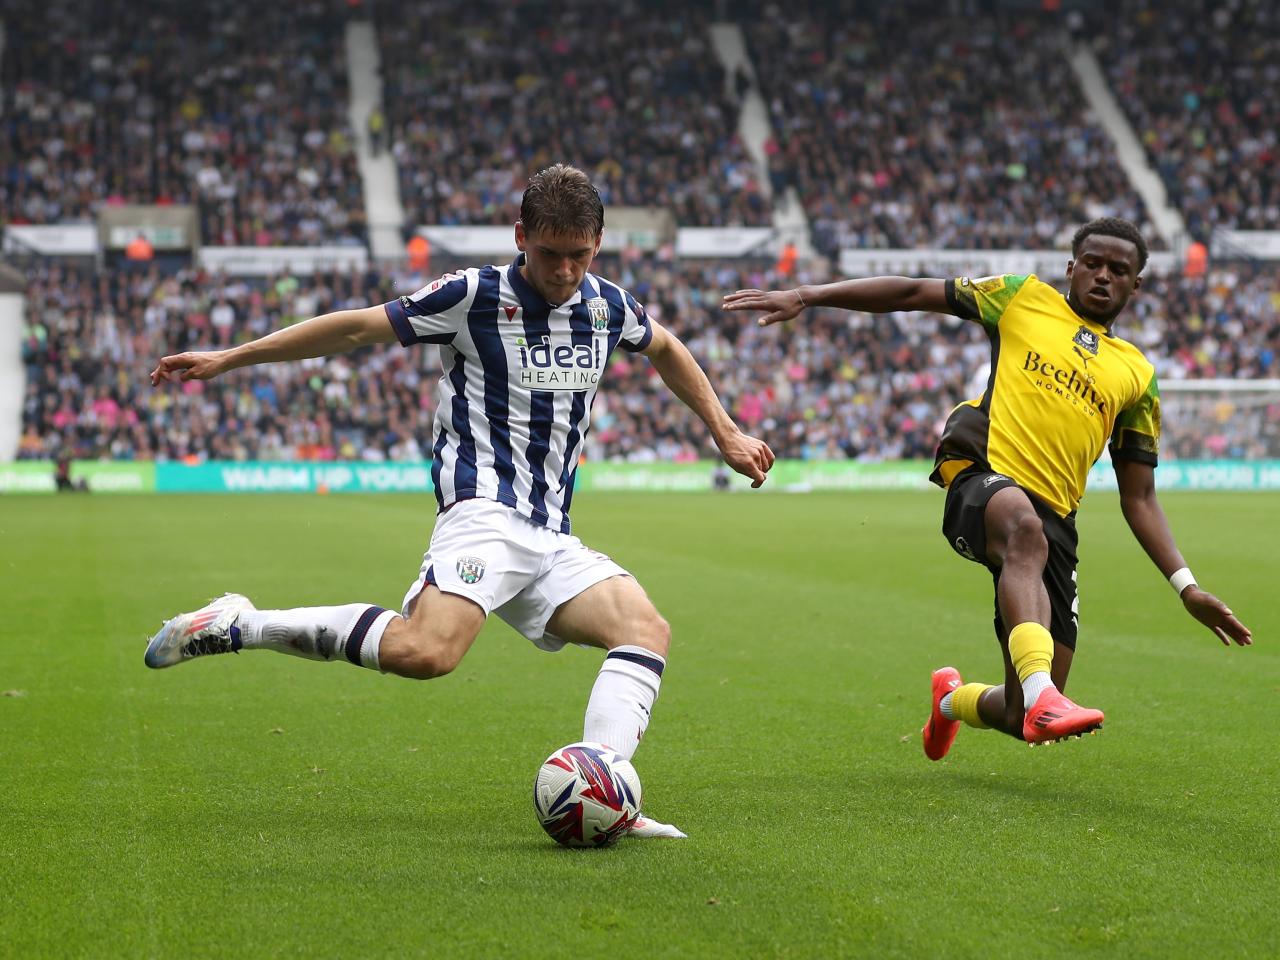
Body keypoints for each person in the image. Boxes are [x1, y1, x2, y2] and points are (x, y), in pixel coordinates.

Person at [147, 164, 775, 837]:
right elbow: (356, 329)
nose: (565, 271)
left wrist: (726, 430)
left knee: (645, 630)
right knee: (427, 653)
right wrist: (228, 358)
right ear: (520, 238)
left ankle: (605, 787)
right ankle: (240, 623)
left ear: (598, 245)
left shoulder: (606, 305)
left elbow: (667, 347)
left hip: (551, 533)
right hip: (483, 514)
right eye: (550, 254)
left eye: (580, 255)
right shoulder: (473, 295)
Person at [724, 217, 1252, 756]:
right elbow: (912, 292)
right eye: (1091, 263)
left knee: (1021, 715)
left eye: (1118, 270)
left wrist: (1187, 587)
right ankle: (1042, 689)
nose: (1101, 276)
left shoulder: (1137, 375)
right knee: (1025, 533)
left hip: (1055, 519)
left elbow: (1138, 496)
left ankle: (954, 700)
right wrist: (806, 295)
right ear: (1071, 268)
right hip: (979, 470)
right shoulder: (1021, 297)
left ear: (1135, 284)